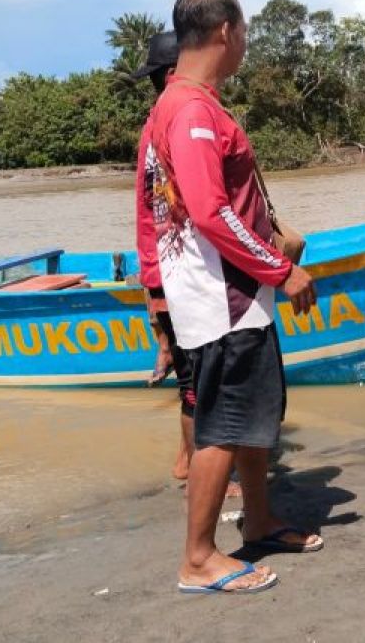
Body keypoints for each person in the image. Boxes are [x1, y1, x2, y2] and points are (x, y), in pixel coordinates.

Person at [135, 0, 321, 594]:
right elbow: (212, 212)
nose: (244, 43)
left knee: (253, 416)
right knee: (224, 423)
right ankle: (197, 558)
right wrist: (280, 269)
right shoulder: (190, 111)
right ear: (225, 32)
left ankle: (260, 520)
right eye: (243, 32)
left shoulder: (178, 103)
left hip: (227, 294)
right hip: (224, 297)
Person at [133, 31, 242, 498]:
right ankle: (200, 469)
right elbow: (201, 210)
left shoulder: (158, 122)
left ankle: (186, 460)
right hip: (177, 274)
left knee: (190, 378)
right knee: (200, 383)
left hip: (163, 271)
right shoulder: (178, 121)